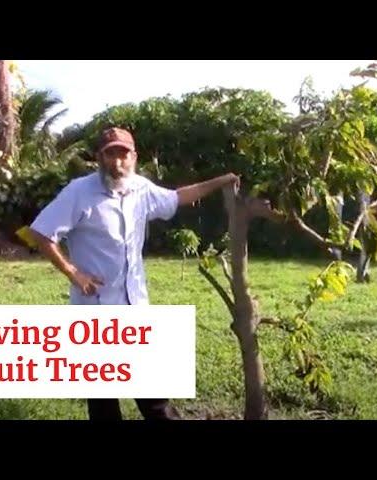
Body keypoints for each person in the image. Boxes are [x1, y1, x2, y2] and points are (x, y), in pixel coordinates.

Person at [29, 126, 239, 420]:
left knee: (154, 396)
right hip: (96, 310)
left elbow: (177, 198)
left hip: (135, 307)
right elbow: (41, 232)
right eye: (109, 154)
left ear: (134, 157)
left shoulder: (141, 188)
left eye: (123, 154)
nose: (117, 162)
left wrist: (221, 181)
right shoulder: (79, 192)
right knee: (103, 402)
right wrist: (72, 272)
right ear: (99, 158)